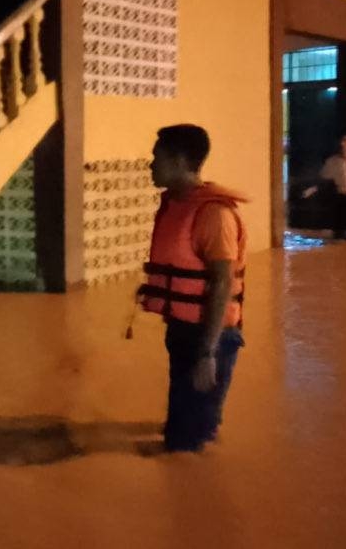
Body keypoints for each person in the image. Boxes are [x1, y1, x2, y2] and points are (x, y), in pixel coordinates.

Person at [135, 124, 248, 453]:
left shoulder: (213, 213)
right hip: (183, 329)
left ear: (181, 161)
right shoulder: (175, 204)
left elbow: (222, 282)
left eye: (157, 157)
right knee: (186, 427)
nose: (151, 164)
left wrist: (208, 353)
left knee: (185, 446)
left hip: (210, 337)